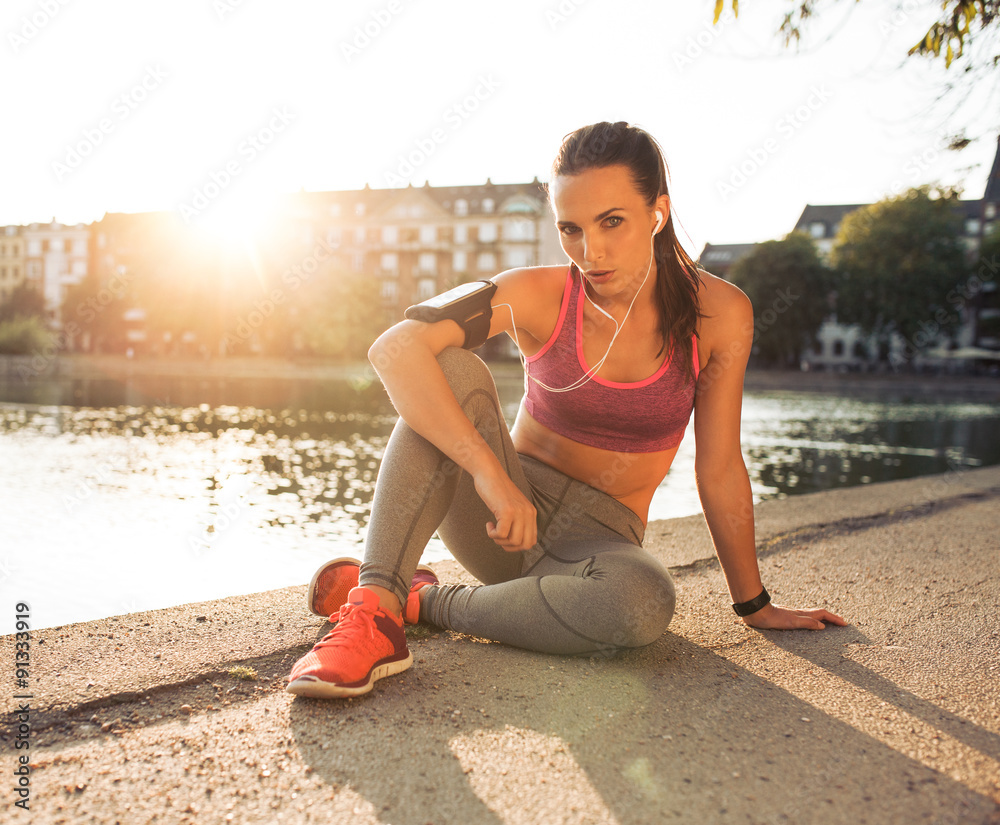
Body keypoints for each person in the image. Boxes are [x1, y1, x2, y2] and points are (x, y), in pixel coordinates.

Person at [286, 121, 847, 699]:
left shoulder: (720, 312)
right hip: (501, 516)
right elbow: (395, 348)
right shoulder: (538, 292)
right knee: (450, 368)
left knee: (643, 602)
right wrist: (489, 473)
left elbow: (721, 466)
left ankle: (422, 602)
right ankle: (372, 613)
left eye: (612, 222)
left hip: (597, 547)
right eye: (570, 228)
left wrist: (754, 604)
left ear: (657, 212)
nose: (590, 252)